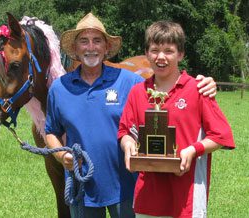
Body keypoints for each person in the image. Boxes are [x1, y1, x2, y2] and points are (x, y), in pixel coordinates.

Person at [45, 13, 217, 218]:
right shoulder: (59, 88)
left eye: (97, 41)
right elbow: (51, 131)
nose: (91, 47)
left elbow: (166, 90)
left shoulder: (129, 82)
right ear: (75, 48)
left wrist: (203, 83)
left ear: (107, 47)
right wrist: (61, 155)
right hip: (82, 188)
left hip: (126, 186)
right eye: (84, 41)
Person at [118, 20, 235, 218]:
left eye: (169, 51)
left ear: (180, 54)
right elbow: (125, 131)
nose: (161, 57)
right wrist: (127, 143)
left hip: (187, 198)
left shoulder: (198, 89)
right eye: (154, 50)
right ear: (146, 53)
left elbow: (221, 135)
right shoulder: (137, 92)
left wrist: (192, 150)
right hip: (148, 198)